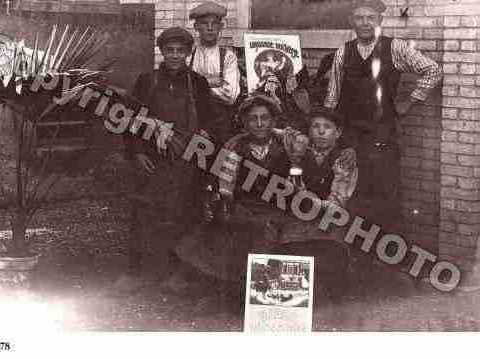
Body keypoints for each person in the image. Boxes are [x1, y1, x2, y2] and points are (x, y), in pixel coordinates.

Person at [110, 27, 213, 295]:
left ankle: (177, 273)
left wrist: (204, 137)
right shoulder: (148, 80)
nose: (175, 56)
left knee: (185, 215)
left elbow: (210, 121)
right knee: (143, 214)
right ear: (162, 51)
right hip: (152, 160)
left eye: (181, 51)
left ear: (189, 53)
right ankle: (134, 272)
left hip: (185, 162)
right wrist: (138, 153)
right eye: (170, 50)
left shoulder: (198, 83)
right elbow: (130, 120)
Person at [171, 93, 292, 312]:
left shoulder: (288, 145)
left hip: (279, 207)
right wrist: (221, 201)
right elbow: (226, 184)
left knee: (278, 236)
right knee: (232, 233)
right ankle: (228, 295)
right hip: (244, 206)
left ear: (273, 121)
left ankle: (269, 299)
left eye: (265, 118)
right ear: (244, 123)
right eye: (253, 119)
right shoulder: (235, 147)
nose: (259, 124)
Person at [324, 0, 442, 225]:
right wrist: (331, 135)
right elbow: (332, 96)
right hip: (351, 137)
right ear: (351, 21)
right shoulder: (343, 52)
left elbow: (433, 70)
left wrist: (410, 101)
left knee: (385, 198)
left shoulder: (395, 47)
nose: (365, 23)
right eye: (359, 17)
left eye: (371, 17)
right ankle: (357, 254)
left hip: (383, 138)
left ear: (380, 20)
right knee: (352, 194)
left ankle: (389, 256)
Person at [279, 107, 358, 300]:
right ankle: (294, 301)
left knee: (330, 255)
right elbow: (274, 130)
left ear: (338, 132)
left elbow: (338, 200)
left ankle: (333, 307)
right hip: (299, 217)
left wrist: (308, 201)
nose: (321, 132)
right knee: (289, 250)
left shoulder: (344, 159)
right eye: (315, 127)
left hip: (329, 219)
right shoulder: (300, 152)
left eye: (327, 127)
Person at [188, 1, 241, 146]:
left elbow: (230, 96)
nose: (210, 28)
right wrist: (213, 82)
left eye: (214, 23)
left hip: (222, 128)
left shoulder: (228, 57)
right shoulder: (188, 57)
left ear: (221, 27)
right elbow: (185, 90)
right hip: (194, 125)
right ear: (196, 27)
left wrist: (198, 85)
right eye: (205, 23)